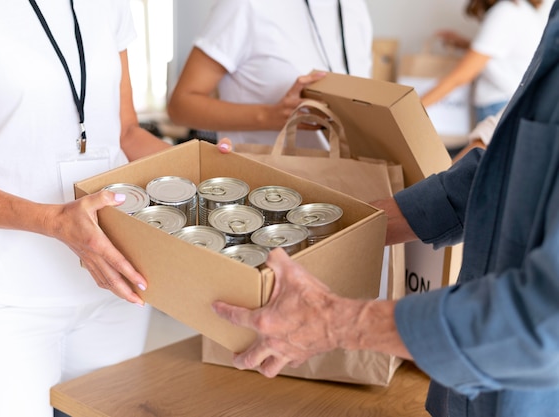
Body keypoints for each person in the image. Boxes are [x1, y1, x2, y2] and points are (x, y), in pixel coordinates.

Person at [211, 1, 559, 416]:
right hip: (465, 396)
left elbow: (543, 321)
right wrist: (335, 229)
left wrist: (334, 322)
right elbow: (502, 173)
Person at [0, 1, 230, 416]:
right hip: (6, 290)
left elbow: (125, 132)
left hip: (113, 276)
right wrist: (52, 220)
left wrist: (202, 167)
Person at [166, 0, 373, 149]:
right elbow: (180, 107)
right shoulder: (245, 5)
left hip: (344, 183)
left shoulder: (354, 8)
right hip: (264, 188)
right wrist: (271, 116)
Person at [421, 0, 546, 123]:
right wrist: (466, 45)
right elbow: (499, 54)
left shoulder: (505, 12)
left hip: (498, 107)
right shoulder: (521, 8)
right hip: (509, 104)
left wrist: (414, 108)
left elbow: (461, 76)